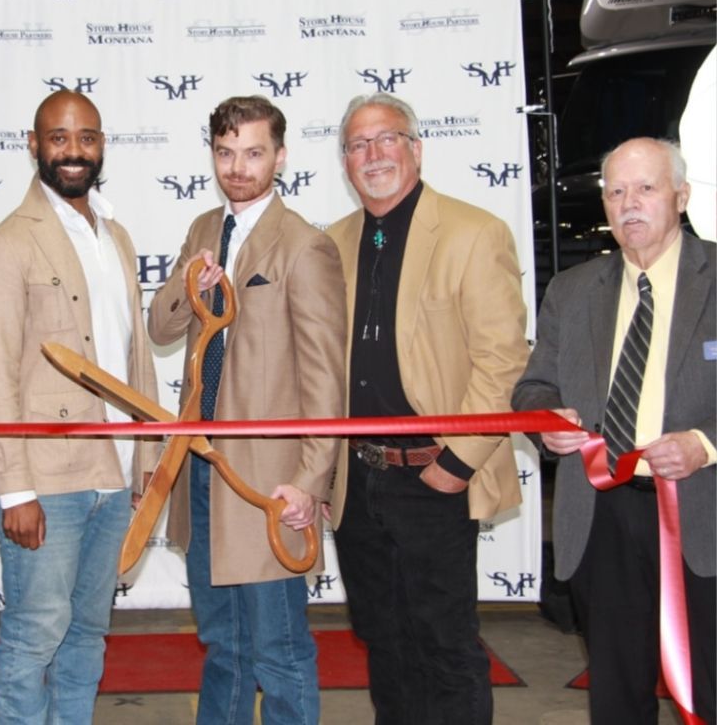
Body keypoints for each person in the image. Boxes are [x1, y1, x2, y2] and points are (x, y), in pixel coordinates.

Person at [327, 92, 529, 725]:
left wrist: (459, 461)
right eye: (358, 145)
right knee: (383, 643)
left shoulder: (474, 232)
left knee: (445, 645)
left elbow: (504, 360)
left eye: (387, 139)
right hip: (357, 480)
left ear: (416, 148)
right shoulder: (330, 244)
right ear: (344, 163)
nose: (373, 154)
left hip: (435, 475)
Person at [147, 94, 346, 725]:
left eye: (254, 153)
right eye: (226, 152)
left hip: (268, 485)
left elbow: (325, 380)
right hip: (201, 472)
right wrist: (189, 288)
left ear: (280, 157)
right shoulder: (205, 229)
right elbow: (159, 329)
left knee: (280, 650)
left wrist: (311, 483)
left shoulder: (304, 245)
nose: (238, 167)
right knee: (223, 646)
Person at [0, 89, 159, 724]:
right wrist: (13, 488)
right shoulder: (7, 247)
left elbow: (135, 363)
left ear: (101, 145)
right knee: (33, 634)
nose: (73, 151)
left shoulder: (118, 237)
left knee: (87, 633)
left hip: (115, 474)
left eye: (86, 138)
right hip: (46, 482)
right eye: (58, 138)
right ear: (34, 145)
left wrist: (148, 464)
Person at [513, 137, 715, 725]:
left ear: (681, 195)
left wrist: (703, 445)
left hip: (703, 516)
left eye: (646, 188)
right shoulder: (572, 291)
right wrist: (549, 422)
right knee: (617, 697)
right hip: (601, 517)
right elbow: (533, 387)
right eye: (616, 191)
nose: (629, 204)